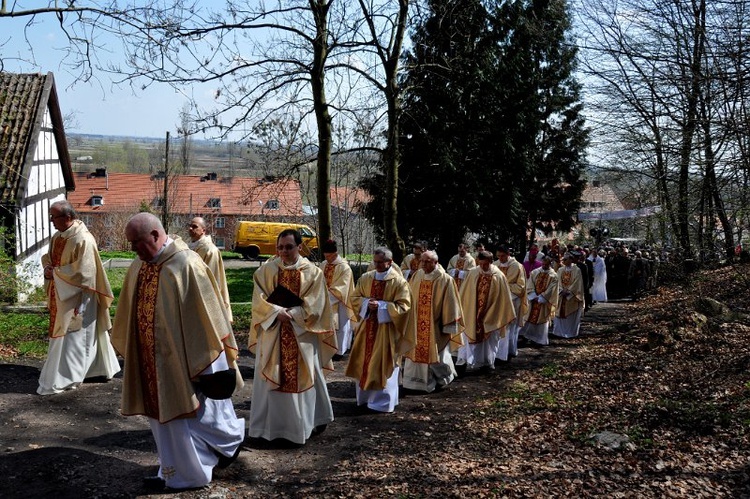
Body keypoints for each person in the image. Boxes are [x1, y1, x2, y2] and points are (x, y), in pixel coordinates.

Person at [111, 213, 244, 492]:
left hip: (181, 360)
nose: (132, 249)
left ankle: (189, 475)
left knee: (188, 416)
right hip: (151, 359)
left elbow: (206, 319)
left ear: (156, 236)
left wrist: (211, 369)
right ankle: (171, 468)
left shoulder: (186, 265)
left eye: (137, 242)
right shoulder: (140, 264)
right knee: (165, 420)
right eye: (131, 244)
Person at [249, 229, 337, 443]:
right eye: (280, 247)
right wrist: (275, 313)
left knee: (306, 374)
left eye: (289, 247)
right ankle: (269, 429)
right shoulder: (266, 270)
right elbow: (258, 300)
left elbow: (317, 304)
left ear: (299, 247)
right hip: (273, 333)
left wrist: (293, 314)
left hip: (302, 335)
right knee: (270, 377)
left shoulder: (313, 272)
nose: (284, 251)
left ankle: (303, 426)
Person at [38, 200, 120, 396]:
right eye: (50, 216)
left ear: (67, 217)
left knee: (76, 336)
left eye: (54, 217)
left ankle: (70, 375)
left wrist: (55, 274)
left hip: (80, 297)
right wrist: (48, 268)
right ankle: (92, 369)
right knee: (69, 336)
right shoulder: (58, 236)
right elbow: (50, 258)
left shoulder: (83, 239)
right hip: (63, 293)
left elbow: (85, 273)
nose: (51, 221)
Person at [346, 247, 413, 412]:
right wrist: (366, 304)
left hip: (387, 331)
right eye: (375, 261)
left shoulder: (398, 282)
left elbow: (404, 307)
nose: (376, 265)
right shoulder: (366, 278)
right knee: (364, 362)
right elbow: (354, 297)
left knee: (383, 363)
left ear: (389, 262)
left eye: (380, 262)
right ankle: (364, 399)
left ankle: (382, 403)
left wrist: (382, 306)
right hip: (367, 327)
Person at [402, 250, 463, 392]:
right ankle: (415, 383)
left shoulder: (445, 279)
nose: (422, 264)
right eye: (421, 261)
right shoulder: (417, 275)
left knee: (437, 356)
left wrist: (448, 325)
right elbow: (410, 296)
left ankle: (444, 377)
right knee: (414, 352)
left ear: (436, 262)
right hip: (417, 323)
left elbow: (451, 303)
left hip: (435, 324)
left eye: (427, 262)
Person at [456, 251, 515, 371]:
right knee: (469, 337)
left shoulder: (498, 276)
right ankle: (467, 361)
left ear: (491, 262)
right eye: (481, 264)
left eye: (486, 264)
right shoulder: (473, 273)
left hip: (491, 314)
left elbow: (503, 298)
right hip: (472, 313)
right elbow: (464, 294)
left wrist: (492, 313)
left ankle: (488, 362)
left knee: (490, 340)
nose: (483, 267)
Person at [187, 216, 232, 322]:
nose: (190, 229)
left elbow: (212, 280)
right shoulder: (187, 248)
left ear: (203, 230)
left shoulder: (210, 250)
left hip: (204, 300)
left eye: (194, 226)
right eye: (189, 226)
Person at [319, 239, 356, 357]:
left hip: (340, 302)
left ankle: (340, 351)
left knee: (341, 326)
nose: (327, 258)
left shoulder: (344, 268)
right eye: (325, 255)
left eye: (329, 255)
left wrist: (325, 298)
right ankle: (327, 349)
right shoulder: (323, 265)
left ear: (335, 253)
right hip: (323, 300)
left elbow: (342, 288)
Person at [494, 245, 528, 358]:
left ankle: (508, 352)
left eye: (502, 256)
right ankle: (497, 353)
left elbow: (521, 287)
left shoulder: (517, 266)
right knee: (497, 327)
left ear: (508, 254)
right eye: (498, 256)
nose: (500, 258)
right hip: (496, 301)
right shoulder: (494, 265)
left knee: (509, 327)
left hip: (512, 300)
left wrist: (504, 289)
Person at [519, 256, 559, 346]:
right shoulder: (535, 272)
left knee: (541, 319)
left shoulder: (553, 275)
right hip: (533, 300)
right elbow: (530, 284)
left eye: (546, 264)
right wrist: (533, 295)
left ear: (550, 264)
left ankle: (540, 339)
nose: (544, 266)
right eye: (543, 264)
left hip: (544, 302)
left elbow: (552, 289)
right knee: (529, 317)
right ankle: (526, 336)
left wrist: (542, 297)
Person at [554, 252, 585, 338]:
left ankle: (570, 332)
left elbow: (578, 283)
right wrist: (561, 290)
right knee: (560, 314)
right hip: (561, 295)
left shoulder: (577, 270)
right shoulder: (560, 270)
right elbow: (558, 281)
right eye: (563, 259)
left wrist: (569, 291)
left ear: (571, 259)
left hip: (571, 296)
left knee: (570, 317)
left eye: (565, 259)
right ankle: (559, 332)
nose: (563, 261)